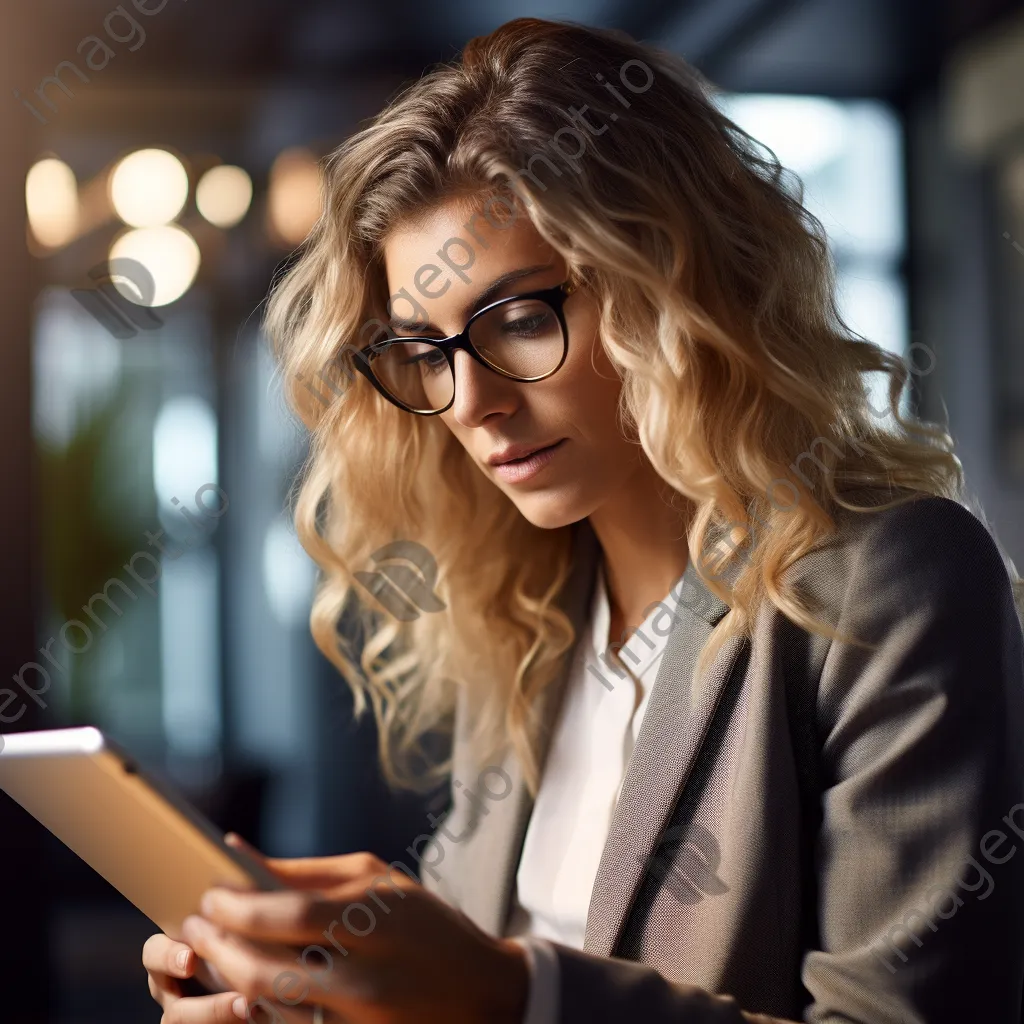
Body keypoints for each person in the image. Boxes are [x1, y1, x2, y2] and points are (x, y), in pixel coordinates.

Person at [143, 16, 1024, 1024]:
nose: (469, 402)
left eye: (519, 318)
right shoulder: (523, 613)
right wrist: (299, 997)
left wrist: (517, 994)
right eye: (423, 350)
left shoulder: (890, 575)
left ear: (669, 288)